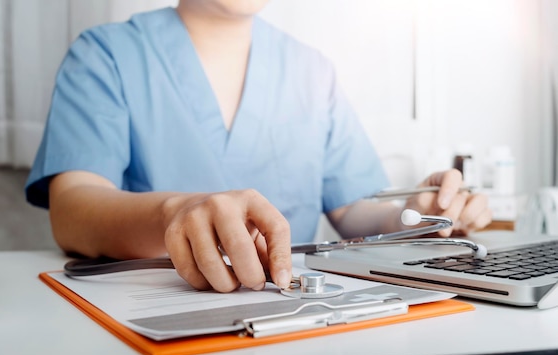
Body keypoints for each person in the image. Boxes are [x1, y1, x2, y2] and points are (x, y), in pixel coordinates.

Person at [25, 0, 492, 293]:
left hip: (292, 311)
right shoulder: (106, 54)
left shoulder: (312, 71)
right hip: (155, 307)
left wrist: (412, 213)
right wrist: (176, 212)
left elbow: (353, 208)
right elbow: (71, 212)